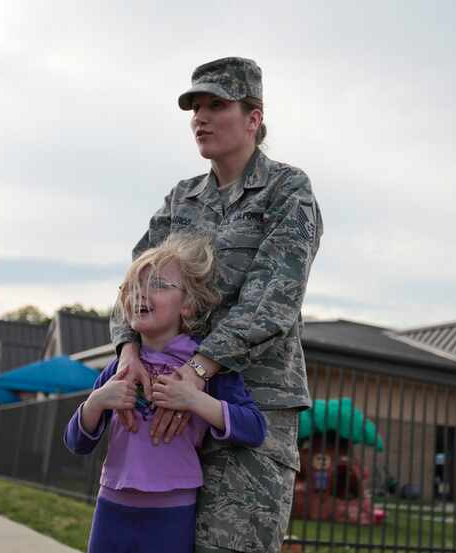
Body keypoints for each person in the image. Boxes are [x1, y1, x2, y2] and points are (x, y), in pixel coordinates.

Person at [110, 57, 323, 553]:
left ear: (254, 117)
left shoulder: (288, 190)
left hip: (251, 409)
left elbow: (275, 297)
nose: (200, 118)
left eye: (216, 105)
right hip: (165, 407)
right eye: (195, 107)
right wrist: (127, 352)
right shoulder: (180, 200)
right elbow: (133, 285)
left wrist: (200, 370)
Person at [65, 234, 266, 553]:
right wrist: (97, 401)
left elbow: (254, 428)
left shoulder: (208, 367)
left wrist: (195, 400)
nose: (140, 294)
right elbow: (76, 442)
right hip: (111, 505)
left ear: (187, 305)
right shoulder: (121, 368)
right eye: (131, 287)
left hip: (171, 511)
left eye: (157, 284)